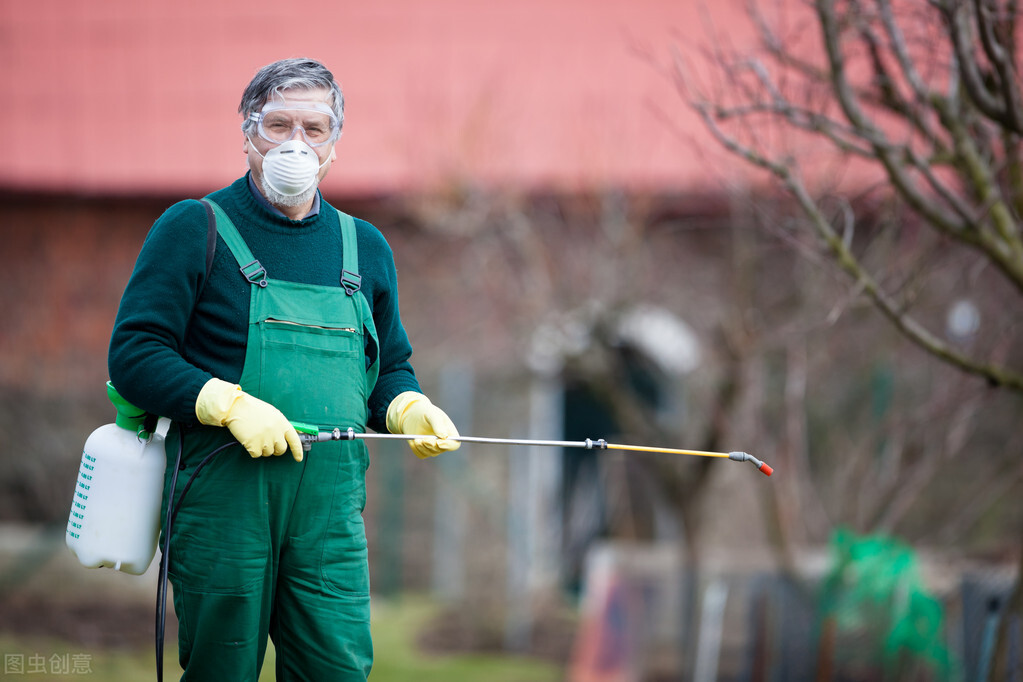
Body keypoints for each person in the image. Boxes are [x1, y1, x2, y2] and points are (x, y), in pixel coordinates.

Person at [108, 57, 460, 681]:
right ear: (248, 133)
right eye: (278, 124)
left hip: (330, 518)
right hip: (222, 505)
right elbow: (135, 354)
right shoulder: (196, 228)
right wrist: (227, 403)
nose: (296, 143)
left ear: (335, 144)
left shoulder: (366, 247)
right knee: (223, 671)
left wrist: (407, 404)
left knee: (337, 669)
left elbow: (389, 367)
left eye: (314, 128)